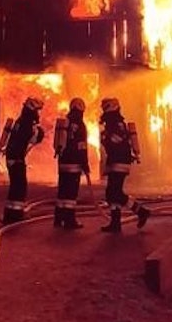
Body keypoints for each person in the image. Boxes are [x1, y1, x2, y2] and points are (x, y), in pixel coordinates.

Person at [98, 96, 150, 233]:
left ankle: (141, 211)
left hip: (119, 161)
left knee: (115, 192)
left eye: (105, 106)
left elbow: (116, 140)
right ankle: (115, 223)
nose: (103, 109)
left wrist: (106, 137)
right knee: (111, 192)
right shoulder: (113, 121)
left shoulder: (116, 122)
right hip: (116, 160)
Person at [0, 95, 45, 224]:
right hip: (17, 159)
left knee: (15, 187)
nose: (38, 114)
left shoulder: (21, 120)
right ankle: (16, 215)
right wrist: (38, 134)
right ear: (32, 109)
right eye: (37, 110)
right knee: (19, 188)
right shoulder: (26, 123)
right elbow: (29, 139)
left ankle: (10, 215)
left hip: (13, 157)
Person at [53, 97, 90, 229]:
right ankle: (69, 220)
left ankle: (58, 219)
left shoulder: (65, 122)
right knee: (71, 193)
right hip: (74, 164)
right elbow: (82, 146)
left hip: (63, 163)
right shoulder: (80, 124)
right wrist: (85, 164)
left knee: (62, 191)